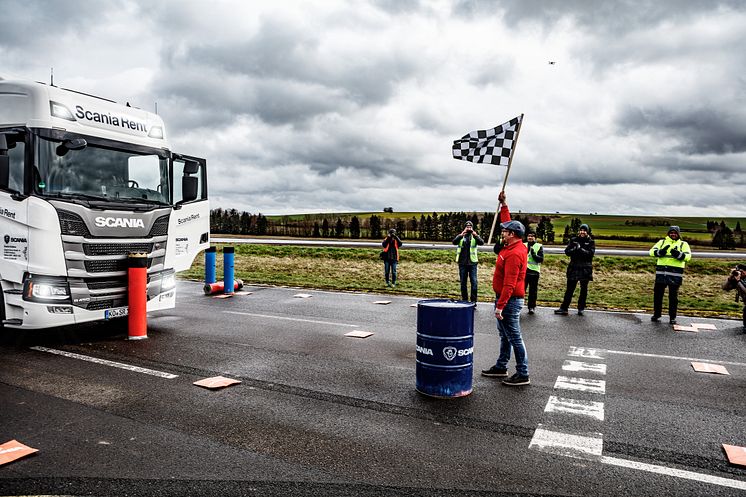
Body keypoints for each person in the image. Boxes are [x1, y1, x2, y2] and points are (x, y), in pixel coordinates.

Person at [481, 219, 529, 386]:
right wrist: (504, 204)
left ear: (512, 234)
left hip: (509, 301)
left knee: (514, 338)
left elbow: (510, 284)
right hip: (505, 298)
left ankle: (523, 373)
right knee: (505, 336)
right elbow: (507, 221)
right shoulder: (512, 246)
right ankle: (501, 366)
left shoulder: (514, 254)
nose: (502, 233)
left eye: (504, 231)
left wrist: (500, 306)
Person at [649, 226, 691, 325]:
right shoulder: (661, 242)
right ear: (668, 233)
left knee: (673, 297)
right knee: (657, 295)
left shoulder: (683, 244)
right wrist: (660, 252)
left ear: (678, 234)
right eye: (671, 233)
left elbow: (688, 257)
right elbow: (651, 252)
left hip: (675, 274)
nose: (673, 234)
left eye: (675, 233)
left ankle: (672, 317)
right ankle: (656, 314)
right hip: (661, 273)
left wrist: (679, 255)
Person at [555, 224, 595, 316]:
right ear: (579, 231)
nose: (582, 232)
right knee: (569, 289)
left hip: (585, 268)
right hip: (574, 267)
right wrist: (574, 248)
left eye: (584, 230)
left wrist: (580, 249)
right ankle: (564, 308)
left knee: (583, 289)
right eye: (581, 230)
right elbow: (567, 252)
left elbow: (590, 254)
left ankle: (581, 308)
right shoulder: (574, 240)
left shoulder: (590, 242)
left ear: (587, 232)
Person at [453, 219, 484, 302]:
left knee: (474, 283)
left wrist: (476, 235)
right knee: (463, 283)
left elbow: (481, 243)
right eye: (467, 227)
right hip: (462, 263)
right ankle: (464, 300)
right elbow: (454, 242)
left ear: (472, 228)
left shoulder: (474, 236)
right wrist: (461, 234)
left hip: (472, 263)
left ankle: (473, 301)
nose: (469, 228)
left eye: (470, 227)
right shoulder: (461, 236)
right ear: (465, 228)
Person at [524, 230, 544, 315]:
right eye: (529, 236)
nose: (530, 237)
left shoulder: (538, 246)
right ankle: (518, 305)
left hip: (534, 272)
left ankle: (531, 307)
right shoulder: (523, 245)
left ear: (535, 237)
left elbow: (541, 259)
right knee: (521, 290)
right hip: (524, 271)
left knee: (533, 291)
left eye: (532, 236)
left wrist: (534, 255)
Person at [723, 264, 746, 333]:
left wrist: (738, 281)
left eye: (741, 272)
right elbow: (725, 288)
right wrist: (730, 278)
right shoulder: (737, 279)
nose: (739, 273)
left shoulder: (739, 280)